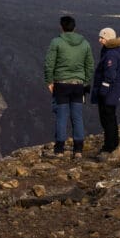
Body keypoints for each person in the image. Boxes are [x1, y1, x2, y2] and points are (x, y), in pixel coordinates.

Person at [44, 15, 94, 158]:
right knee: (77, 116)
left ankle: (59, 149)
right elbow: (90, 65)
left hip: (61, 84)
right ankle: (78, 150)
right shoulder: (85, 43)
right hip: (78, 85)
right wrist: (85, 82)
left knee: (61, 116)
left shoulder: (56, 42)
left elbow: (49, 63)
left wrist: (49, 81)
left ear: (61, 27)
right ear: (74, 27)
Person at [92, 27, 120, 155]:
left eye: (102, 38)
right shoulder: (112, 52)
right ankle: (113, 143)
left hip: (109, 92)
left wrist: (103, 89)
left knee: (107, 118)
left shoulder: (111, 54)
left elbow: (110, 74)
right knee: (110, 117)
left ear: (108, 39)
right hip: (112, 92)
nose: (99, 40)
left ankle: (109, 146)